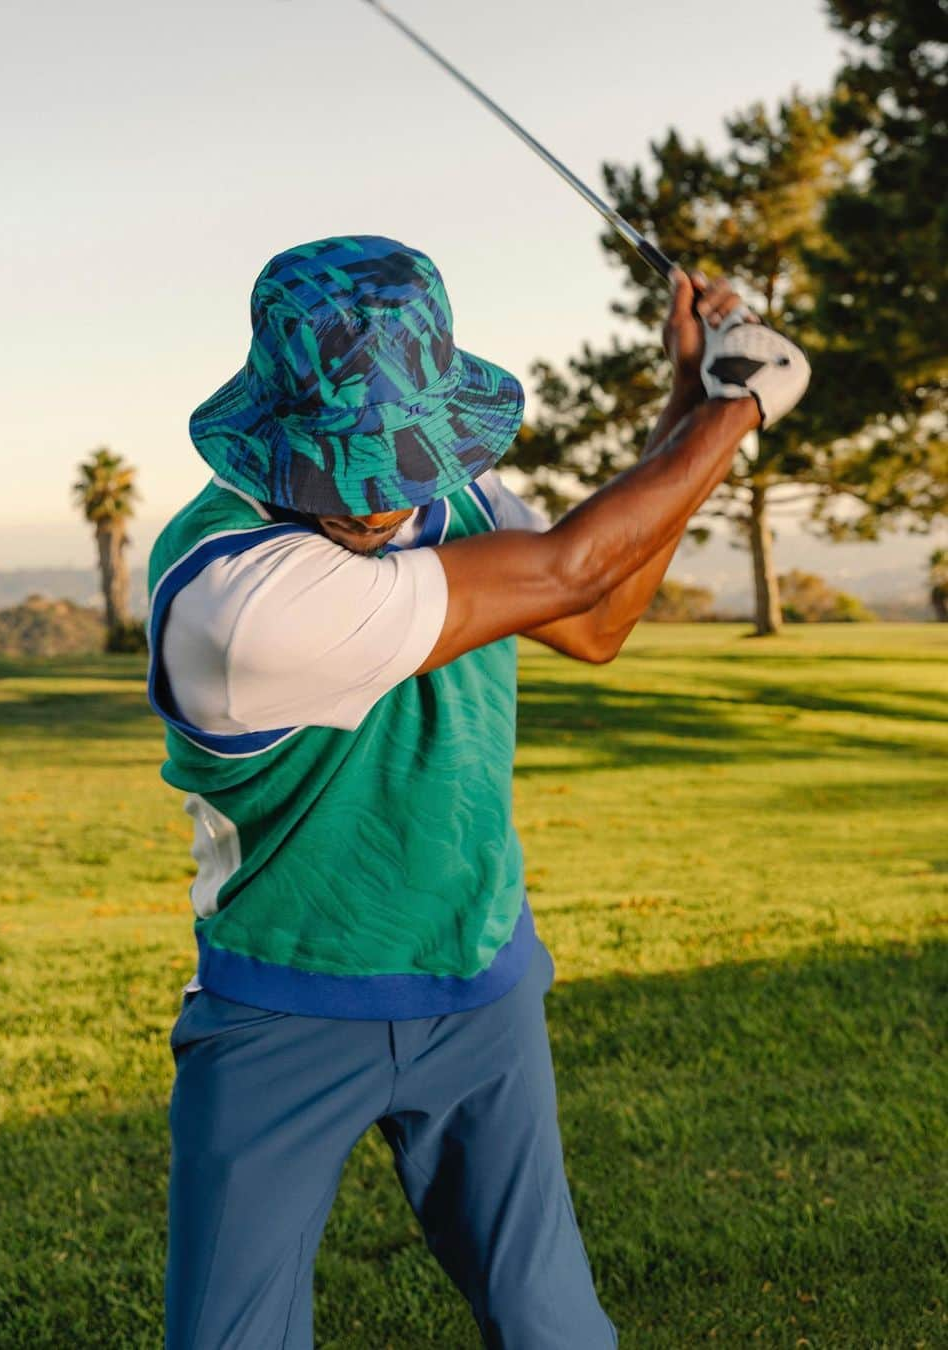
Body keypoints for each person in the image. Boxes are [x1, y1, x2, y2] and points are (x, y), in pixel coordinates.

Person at [146, 234, 809, 1349]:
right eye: (356, 465)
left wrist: (688, 392)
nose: (383, 499)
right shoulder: (233, 602)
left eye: (403, 457)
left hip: (481, 973)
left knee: (554, 1325)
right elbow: (563, 569)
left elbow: (593, 615)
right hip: (285, 1001)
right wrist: (736, 412)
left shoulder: (446, 490)